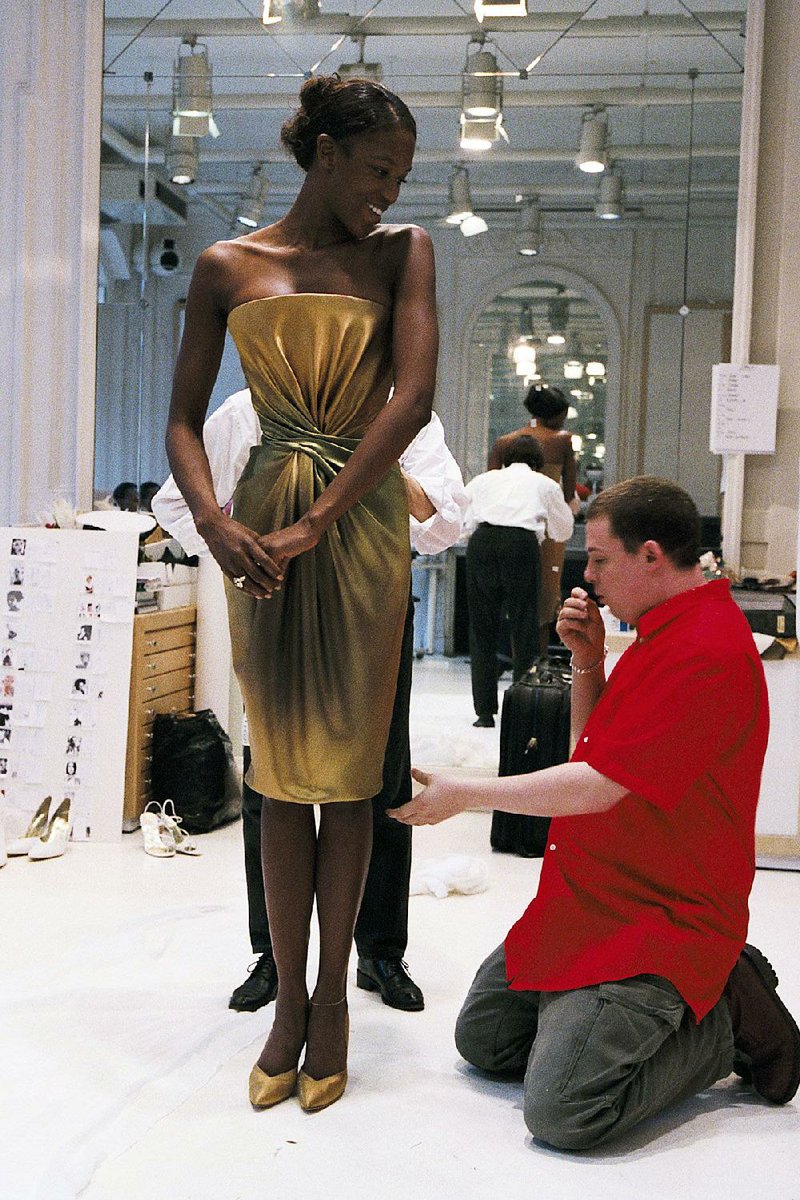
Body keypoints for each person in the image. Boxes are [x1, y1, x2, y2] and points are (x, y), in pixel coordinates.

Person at [163, 74, 437, 1114]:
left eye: (399, 176)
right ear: (322, 152)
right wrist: (216, 523)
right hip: (258, 523)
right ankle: (286, 1001)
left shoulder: (402, 253)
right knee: (279, 773)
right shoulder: (228, 265)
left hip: (354, 524)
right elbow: (184, 420)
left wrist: (323, 516)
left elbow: (409, 400)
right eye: (376, 170)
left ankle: (334, 1000)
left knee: (352, 774)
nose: (387, 191)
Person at [390, 476, 800, 1149]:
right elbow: (598, 750)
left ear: (650, 556)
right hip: (594, 889)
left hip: (660, 912)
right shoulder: (661, 631)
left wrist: (467, 792)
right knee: (486, 1041)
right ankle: (593, 1018)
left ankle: (725, 1021)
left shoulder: (704, 650)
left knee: (565, 1111)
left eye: (602, 559)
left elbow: (599, 785)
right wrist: (586, 663)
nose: (589, 575)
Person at [153, 391, 467, 1014]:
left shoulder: (399, 413)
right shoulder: (248, 408)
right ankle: (272, 950)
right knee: (271, 774)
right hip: (275, 597)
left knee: (383, 775)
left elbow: (446, 522)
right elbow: (177, 503)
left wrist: (366, 462)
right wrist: (233, 541)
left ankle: (379, 950)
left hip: (374, 605)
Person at [463, 436, 573, 728]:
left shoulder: (483, 480)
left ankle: (484, 713)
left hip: (482, 542)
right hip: (521, 544)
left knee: (482, 627)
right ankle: (522, 708)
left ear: (505, 459)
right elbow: (563, 529)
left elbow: (461, 514)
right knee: (524, 625)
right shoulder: (544, 484)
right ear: (537, 463)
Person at [489, 384, 578, 652]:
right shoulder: (562, 440)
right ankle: (537, 662)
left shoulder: (505, 442)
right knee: (545, 595)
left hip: (508, 526)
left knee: (515, 592)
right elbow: (569, 491)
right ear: (557, 414)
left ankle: (517, 654)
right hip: (547, 528)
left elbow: (491, 482)